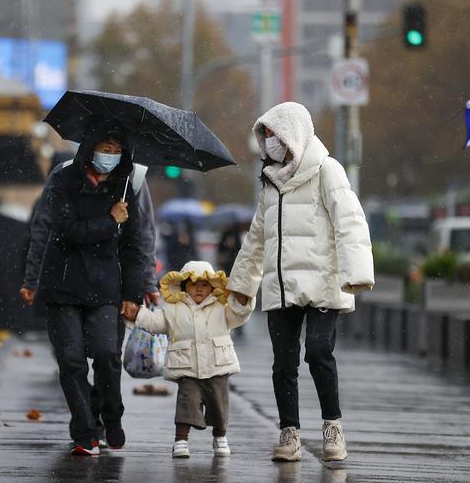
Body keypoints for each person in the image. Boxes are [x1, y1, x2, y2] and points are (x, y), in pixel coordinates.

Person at [227, 102, 374, 463]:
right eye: (265, 136)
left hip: (324, 284)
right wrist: (241, 286)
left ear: (293, 132)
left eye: (275, 134)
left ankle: (332, 426)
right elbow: (257, 239)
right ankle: (289, 433)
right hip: (281, 286)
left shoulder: (327, 170)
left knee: (319, 352)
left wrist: (356, 273)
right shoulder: (270, 183)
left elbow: (350, 221)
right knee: (283, 363)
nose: (270, 142)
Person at [20, 139, 160, 448]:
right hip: (63, 285)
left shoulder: (130, 184)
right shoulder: (63, 178)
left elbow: (138, 243)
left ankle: (111, 416)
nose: (108, 157)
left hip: (106, 286)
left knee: (107, 355)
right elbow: (57, 230)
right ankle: (84, 432)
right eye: (103, 148)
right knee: (71, 362)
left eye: (115, 150)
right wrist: (110, 221)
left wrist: (136, 291)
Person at [121, 261, 253, 459]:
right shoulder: (173, 309)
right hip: (186, 367)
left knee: (220, 406)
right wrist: (138, 313)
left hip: (217, 366)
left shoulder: (222, 307)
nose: (199, 288)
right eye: (193, 284)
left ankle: (220, 437)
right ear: (184, 287)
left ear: (213, 287)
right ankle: (181, 440)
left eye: (204, 285)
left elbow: (239, 315)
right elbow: (155, 322)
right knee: (186, 404)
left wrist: (242, 300)